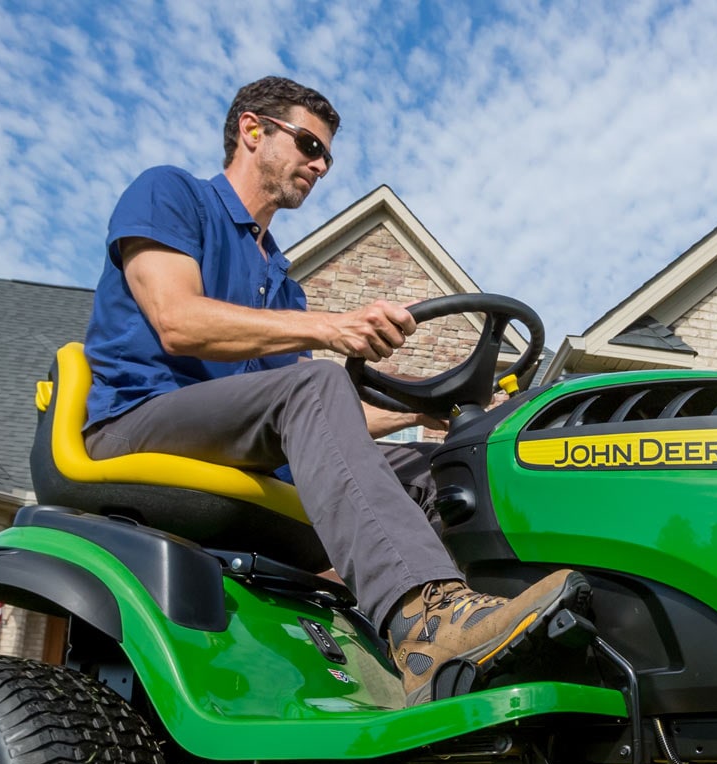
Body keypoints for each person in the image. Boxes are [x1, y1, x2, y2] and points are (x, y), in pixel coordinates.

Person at [80, 76, 582, 705]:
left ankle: (485, 641)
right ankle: (425, 622)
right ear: (252, 129)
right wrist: (331, 328)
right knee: (315, 382)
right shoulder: (171, 193)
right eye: (310, 145)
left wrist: (429, 412)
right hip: (135, 423)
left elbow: (314, 421)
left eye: (328, 157)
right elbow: (177, 321)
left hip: (235, 440)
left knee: (442, 469)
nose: (320, 165)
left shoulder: (280, 280)